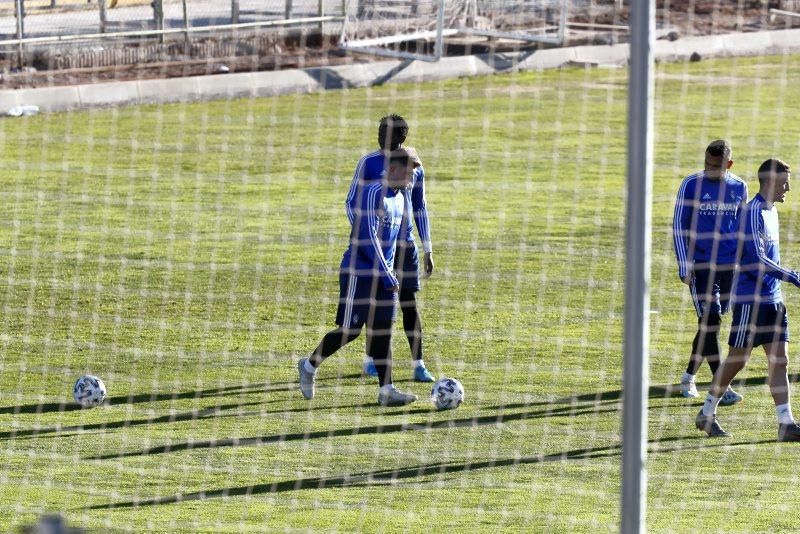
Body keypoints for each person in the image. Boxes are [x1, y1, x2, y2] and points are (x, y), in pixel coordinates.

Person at [298, 147, 421, 406]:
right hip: (360, 272)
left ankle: (386, 390)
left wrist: (397, 269)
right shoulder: (374, 192)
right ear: (395, 169)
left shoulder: (401, 198)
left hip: (385, 275)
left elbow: (399, 237)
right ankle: (309, 367)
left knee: (382, 332)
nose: (412, 179)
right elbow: (368, 237)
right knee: (351, 330)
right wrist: (387, 273)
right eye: (410, 173)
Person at [696, 158, 800, 441]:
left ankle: (786, 423)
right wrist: (791, 275)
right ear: (770, 181)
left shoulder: (771, 212)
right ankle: (706, 413)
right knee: (738, 361)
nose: (788, 188)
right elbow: (756, 260)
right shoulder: (752, 212)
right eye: (784, 182)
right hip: (751, 302)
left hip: (773, 300)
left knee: (781, 360)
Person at [345, 114, 436, 383]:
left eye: (387, 133)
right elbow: (351, 202)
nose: (381, 137)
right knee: (377, 304)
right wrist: (365, 233)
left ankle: (418, 364)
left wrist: (427, 247)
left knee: (409, 303)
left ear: (401, 138)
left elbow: (420, 206)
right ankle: (371, 361)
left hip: (404, 245)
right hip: (378, 247)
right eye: (379, 131)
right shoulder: (368, 163)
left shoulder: (414, 167)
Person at [673, 139, 747, 404]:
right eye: (706, 164)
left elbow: (742, 228)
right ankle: (721, 387)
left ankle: (688, 376)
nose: (709, 169)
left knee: (710, 326)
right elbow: (679, 226)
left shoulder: (740, 187)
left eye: (715, 166)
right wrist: (685, 265)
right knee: (711, 321)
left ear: (729, 164)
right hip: (701, 266)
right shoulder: (691, 184)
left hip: (730, 268)